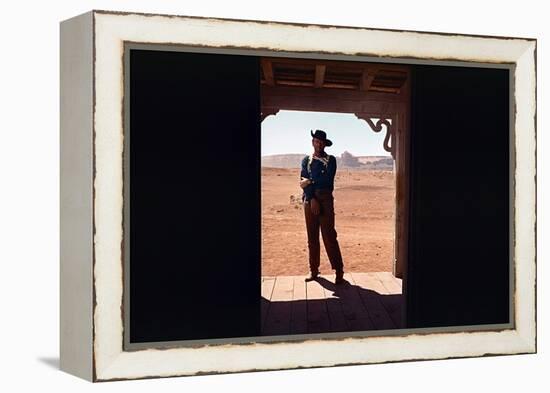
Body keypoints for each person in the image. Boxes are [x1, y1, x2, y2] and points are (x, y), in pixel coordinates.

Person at [300, 130, 345, 285]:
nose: (318, 144)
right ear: (313, 142)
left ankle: (339, 270)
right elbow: (302, 179)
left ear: (325, 144)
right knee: (312, 237)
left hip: (325, 200)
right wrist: (311, 198)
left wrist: (309, 182)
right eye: (316, 141)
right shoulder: (306, 160)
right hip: (309, 201)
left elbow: (326, 180)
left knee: (329, 236)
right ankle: (313, 270)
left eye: (321, 142)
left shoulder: (331, 160)